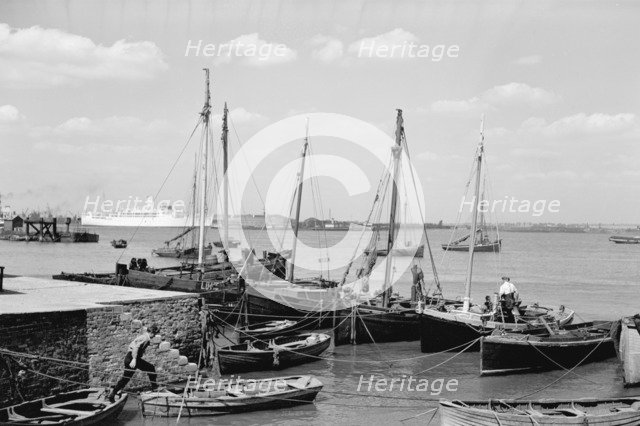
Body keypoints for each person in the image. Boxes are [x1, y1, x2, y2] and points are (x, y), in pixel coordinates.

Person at [107, 324, 160, 402]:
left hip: (130, 357)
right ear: (152, 332)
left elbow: (133, 345)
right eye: (155, 334)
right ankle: (154, 387)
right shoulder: (145, 338)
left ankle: (114, 392)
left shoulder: (143, 336)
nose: (154, 336)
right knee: (150, 368)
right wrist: (134, 359)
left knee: (126, 378)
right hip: (132, 358)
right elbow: (135, 347)